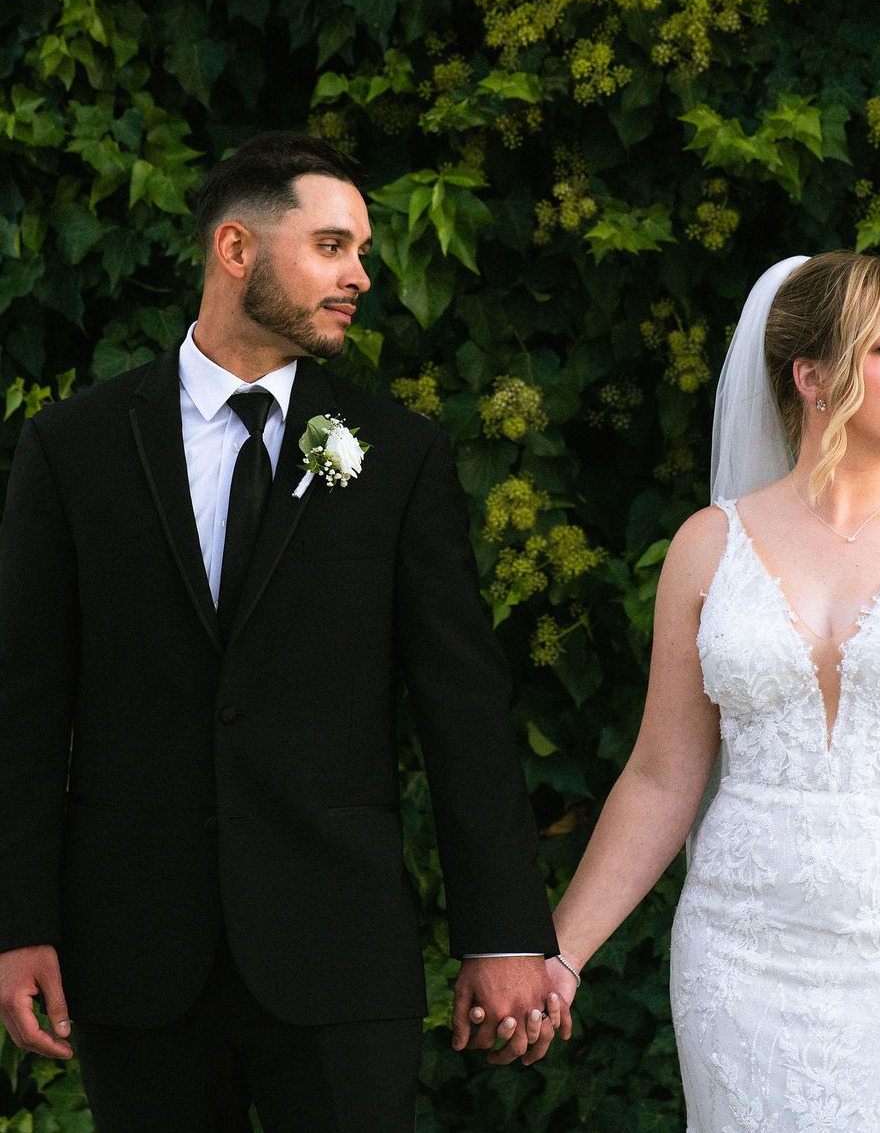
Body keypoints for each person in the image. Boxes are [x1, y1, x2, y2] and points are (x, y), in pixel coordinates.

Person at [0, 131, 568, 1133]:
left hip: (339, 951)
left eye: (361, 254)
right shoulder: (73, 448)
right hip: (135, 951)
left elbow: (462, 707)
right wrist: (18, 924)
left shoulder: (394, 455)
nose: (359, 277)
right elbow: (25, 706)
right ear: (235, 251)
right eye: (333, 247)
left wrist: (506, 935)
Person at [544, 252, 880, 1131]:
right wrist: (559, 955)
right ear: (812, 376)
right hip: (739, 962)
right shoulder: (708, 548)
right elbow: (663, 776)